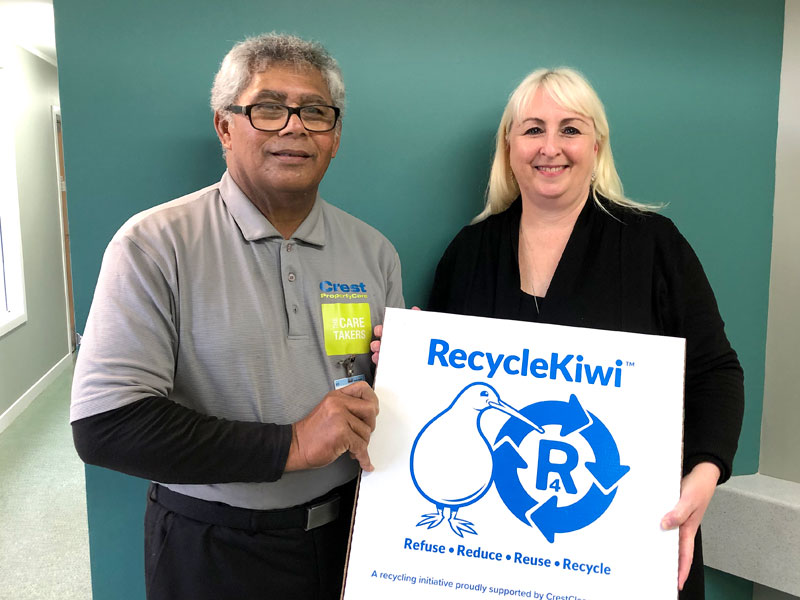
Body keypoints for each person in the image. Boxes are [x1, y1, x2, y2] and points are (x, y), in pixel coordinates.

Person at [70, 33, 403, 600]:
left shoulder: (375, 252)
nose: (294, 126)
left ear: (335, 136)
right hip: (212, 550)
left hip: (353, 542)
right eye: (269, 108)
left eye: (315, 112)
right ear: (225, 127)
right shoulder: (154, 244)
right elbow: (107, 426)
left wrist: (411, 364)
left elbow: (380, 400)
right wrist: (291, 444)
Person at [424, 68, 743, 599]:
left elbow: (715, 371)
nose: (551, 147)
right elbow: (440, 390)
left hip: (628, 544)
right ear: (509, 146)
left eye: (570, 129)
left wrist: (705, 475)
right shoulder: (468, 253)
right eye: (532, 130)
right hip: (493, 557)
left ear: (597, 145)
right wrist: (410, 362)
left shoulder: (653, 246)